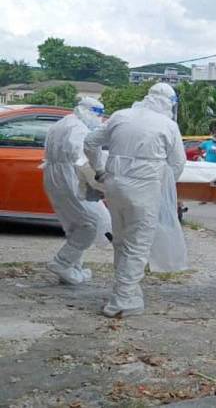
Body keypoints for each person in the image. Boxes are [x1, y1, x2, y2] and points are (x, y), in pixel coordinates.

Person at [84, 83, 187, 318]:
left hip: (114, 185)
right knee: (138, 243)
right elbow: (178, 164)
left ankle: (125, 290)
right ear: (169, 103)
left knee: (121, 240)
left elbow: (90, 142)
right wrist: (164, 186)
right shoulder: (168, 125)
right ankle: (122, 300)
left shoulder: (121, 116)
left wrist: (99, 168)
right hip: (144, 187)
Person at [44, 97, 112, 285]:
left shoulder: (61, 124)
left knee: (76, 224)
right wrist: (98, 178)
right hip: (70, 177)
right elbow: (81, 155)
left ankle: (73, 267)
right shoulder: (78, 128)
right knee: (92, 222)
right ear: (90, 112)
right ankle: (62, 263)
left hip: (54, 176)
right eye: (98, 115)